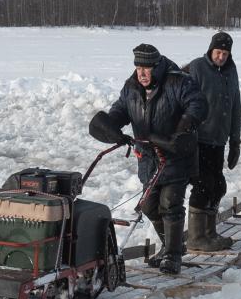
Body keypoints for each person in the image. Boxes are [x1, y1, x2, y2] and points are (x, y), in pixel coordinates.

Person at [89, 43, 207, 274]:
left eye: (147, 68)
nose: (142, 73)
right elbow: (120, 110)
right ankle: (171, 246)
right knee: (150, 206)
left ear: (157, 66)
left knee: (170, 203)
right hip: (148, 158)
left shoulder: (177, 81)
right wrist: (111, 126)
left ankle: (173, 256)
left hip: (176, 153)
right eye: (138, 68)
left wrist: (183, 129)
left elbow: (198, 104)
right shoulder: (131, 87)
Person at [184, 31, 241, 251]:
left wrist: (235, 141)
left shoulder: (231, 71)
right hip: (199, 139)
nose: (221, 57)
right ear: (210, 50)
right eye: (218, 52)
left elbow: (235, 105)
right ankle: (196, 238)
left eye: (225, 53)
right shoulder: (197, 67)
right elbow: (185, 100)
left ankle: (209, 234)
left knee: (218, 186)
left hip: (219, 139)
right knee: (203, 185)